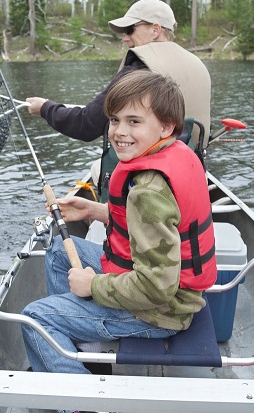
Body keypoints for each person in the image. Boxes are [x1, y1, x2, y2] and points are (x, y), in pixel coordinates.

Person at [21, 70, 217, 391]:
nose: (119, 132)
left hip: (159, 312)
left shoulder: (148, 192)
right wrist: (93, 210)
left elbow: (155, 289)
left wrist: (93, 286)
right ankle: (79, 345)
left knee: (35, 320)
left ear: (166, 126)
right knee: (58, 251)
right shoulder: (176, 152)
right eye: (114, 120)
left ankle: (83, 402)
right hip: (165, 289)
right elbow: (152, 227)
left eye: (134, 121)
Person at [25, 0, 212, 143]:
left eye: (130, 30)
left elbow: (85, 125)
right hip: (192, 164)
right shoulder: (197, 64)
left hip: (151, 171)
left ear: (155, 30)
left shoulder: (140, 68)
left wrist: (44, 108)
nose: (125, 38)